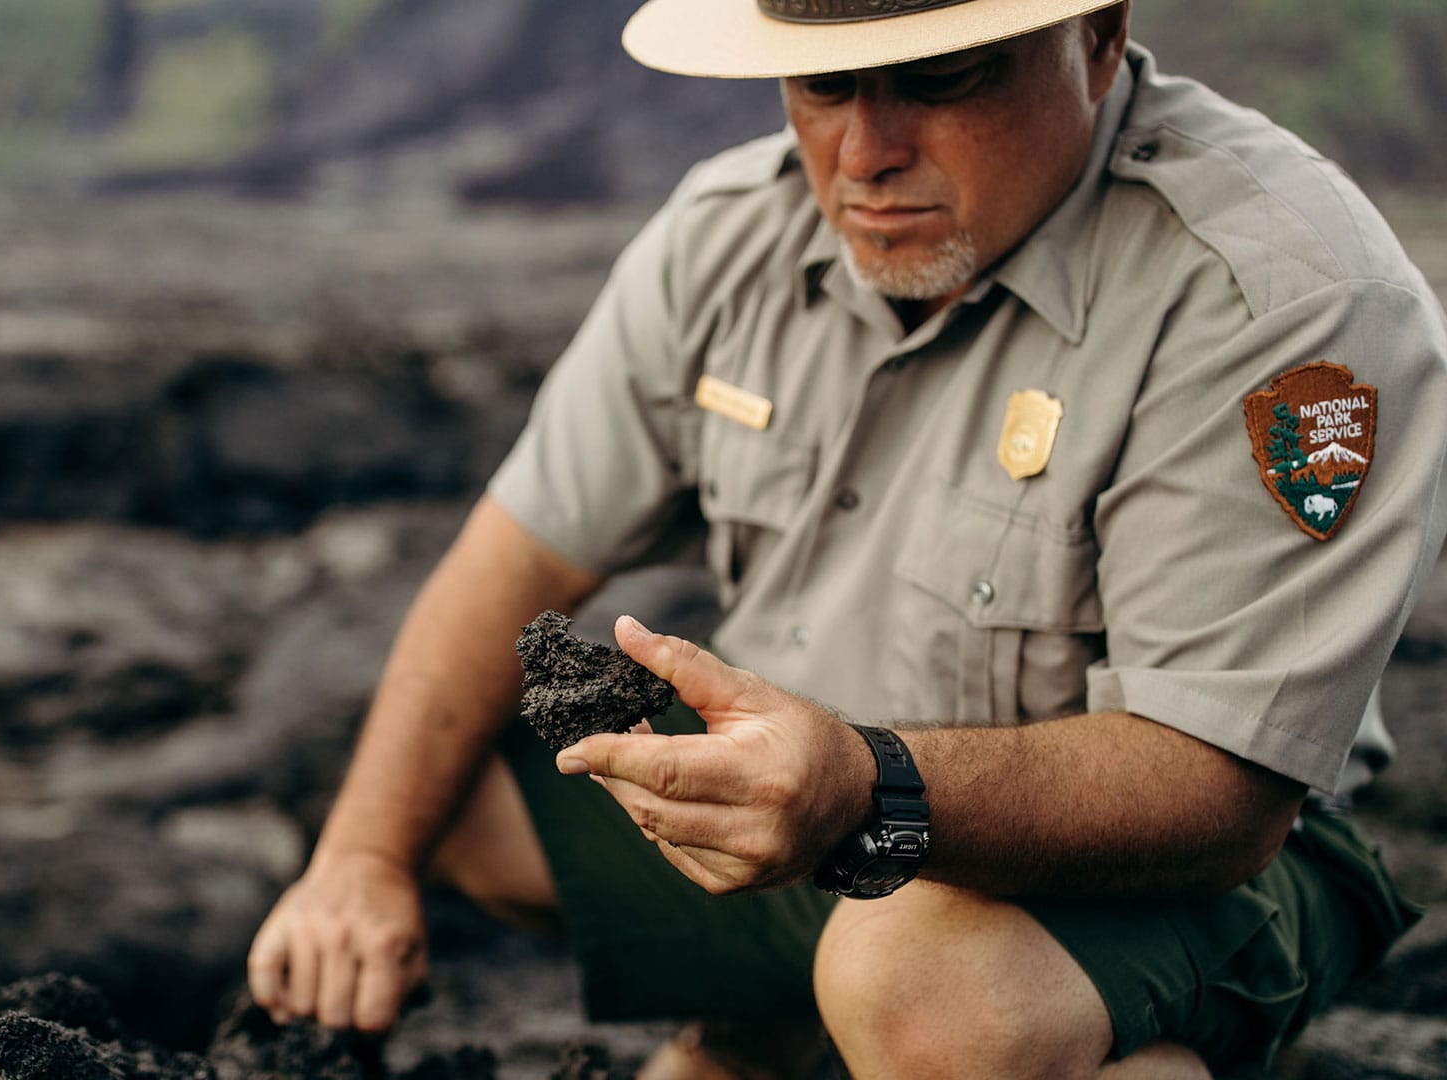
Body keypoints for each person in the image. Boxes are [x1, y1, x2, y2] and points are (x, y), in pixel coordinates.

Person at [246, 0, 1447, 1075]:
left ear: (1097, 37)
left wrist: (864, 788)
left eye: (940, 78)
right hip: (816, 806)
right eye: (826, 86)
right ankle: (794, 1025)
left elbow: (1222, 794)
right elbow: (509, 560)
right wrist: (357, 863)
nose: (866, 155)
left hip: (1199, 864)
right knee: (430, 786)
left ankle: (914, 1030)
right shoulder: (728, 235)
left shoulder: (1281, 294)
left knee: (921, 988)